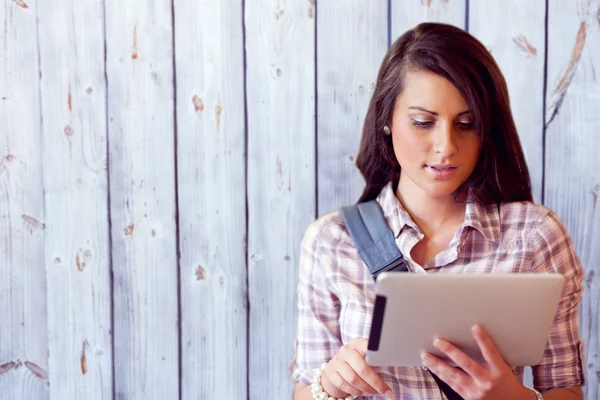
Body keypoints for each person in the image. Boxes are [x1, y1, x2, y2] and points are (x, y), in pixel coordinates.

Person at [290, 22, 585, 400]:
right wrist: (328, 384)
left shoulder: (535, 235)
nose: (446, 146)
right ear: (386, 120)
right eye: (423, 122)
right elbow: (304, 391)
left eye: (467, 124)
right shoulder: (331, 242)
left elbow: (565, 390)